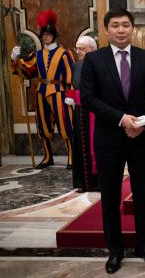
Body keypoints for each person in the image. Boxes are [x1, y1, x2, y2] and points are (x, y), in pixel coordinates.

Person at [80, 8, 145, 274]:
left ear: (132, 28)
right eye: (115, 25)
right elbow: (88, 98)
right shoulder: (93, 60)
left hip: (141, 138)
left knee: (142, 194)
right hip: (109, 139)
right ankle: (115, 250)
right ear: (106, 30)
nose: (121, 30)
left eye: (125, 25)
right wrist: (121, 118)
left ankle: (144, 245)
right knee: (111, 197)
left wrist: (143, 122)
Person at [11, 9, 74, 169]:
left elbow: (70, 76)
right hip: (41, 92)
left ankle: (72, 157)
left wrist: (71, 94)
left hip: (60, 93)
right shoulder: (36, 55)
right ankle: (47, 157)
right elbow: (26, 71)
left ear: (54, 34)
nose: (45, 36)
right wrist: (14, 59)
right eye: (44, 34)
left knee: (65, 125)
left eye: (48, 34)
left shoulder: (65, 54)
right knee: (43, 126)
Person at [65, 35, 99, 192]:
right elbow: (74, 86)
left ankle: (97, 183)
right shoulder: (75, 65)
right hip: (79, 112)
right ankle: (82, 183)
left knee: (95, 146)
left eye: (81, 49)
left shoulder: (100, 64)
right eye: (77, 48)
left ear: (92, 50)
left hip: (95, 112)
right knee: (80, 145)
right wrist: (71, 96)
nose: (77, 51)